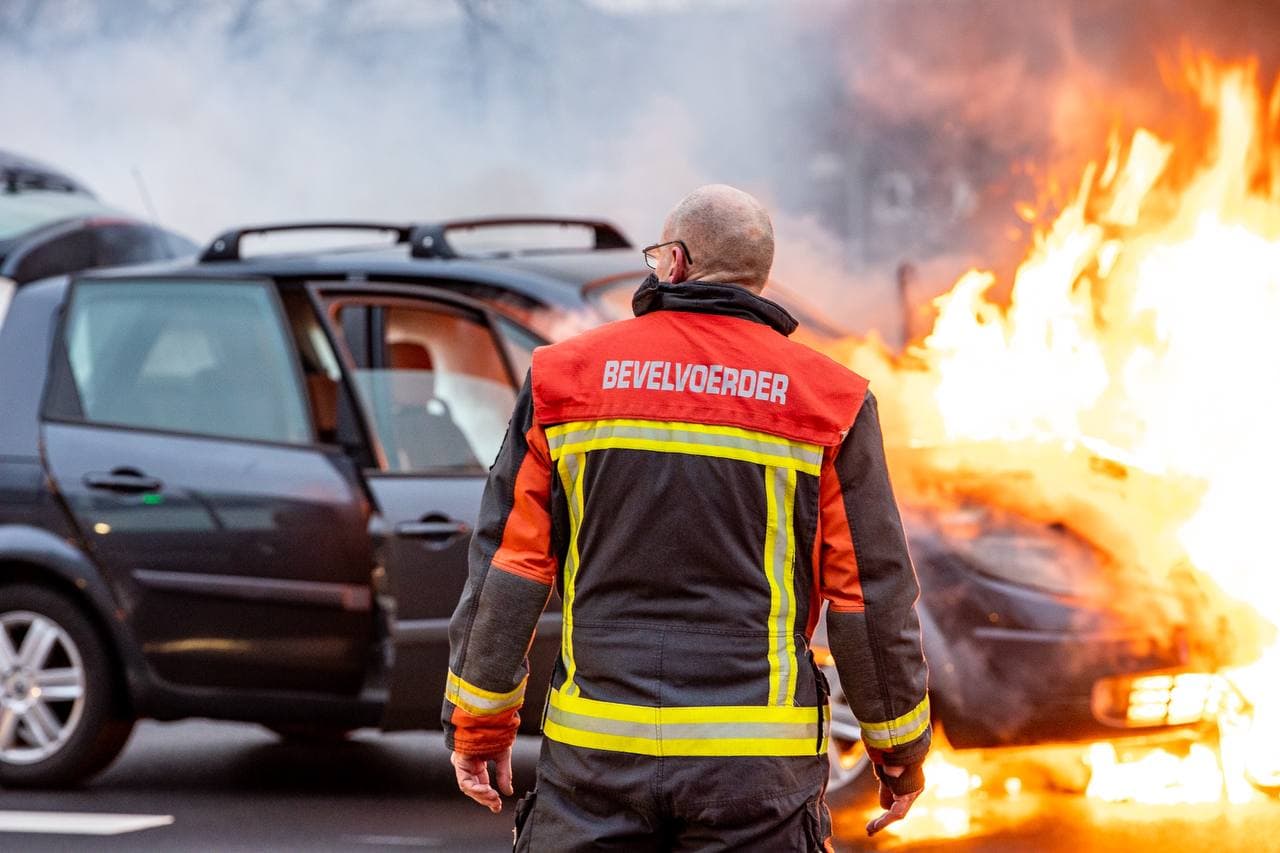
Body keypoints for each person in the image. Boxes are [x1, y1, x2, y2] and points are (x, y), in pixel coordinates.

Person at [444, 185, 930, 850]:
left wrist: (479, 725)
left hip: (595, 763)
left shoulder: (565, 378)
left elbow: (511, 564)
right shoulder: (830, 400)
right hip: (757, 776)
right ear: (758, 276)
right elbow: (868, 597)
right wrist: (898, 746)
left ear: (674, 261)